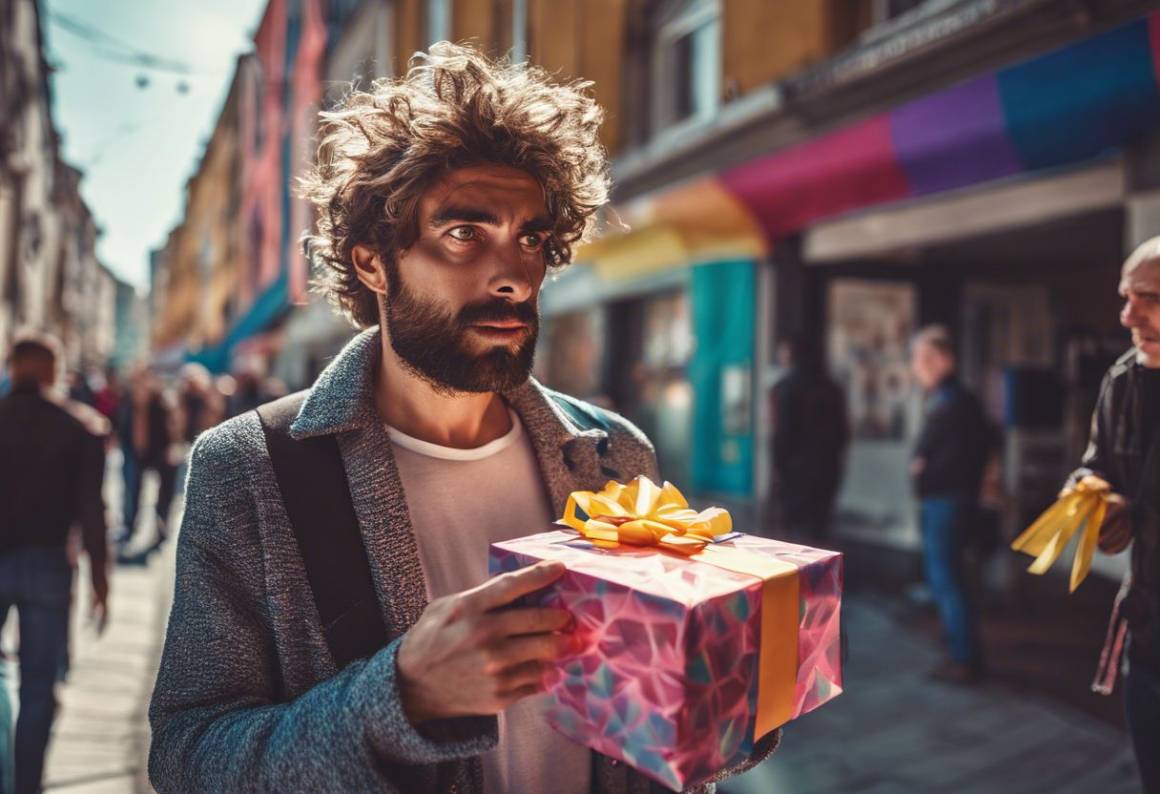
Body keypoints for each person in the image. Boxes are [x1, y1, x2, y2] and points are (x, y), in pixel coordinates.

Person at [147, 44, 778, 793]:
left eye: (531, 238)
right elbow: (189, 756)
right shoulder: (251, 467)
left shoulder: (614, 454)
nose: (512, 275)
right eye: (464, 233)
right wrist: (401, 695)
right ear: (373, 263)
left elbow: (661, 735)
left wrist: (730, 691)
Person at [0, 334, 110, 794]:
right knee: (40, 685)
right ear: (53, 370)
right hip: (48, 564)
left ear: (11, 366)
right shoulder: (80, 426)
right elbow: (92, 510)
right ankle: (26, 783)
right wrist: (101, 581)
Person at [1069, 238, 1160, 792]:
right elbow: (1094, 464)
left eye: (1148, 296)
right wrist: (1093, 496)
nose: (1127, 314)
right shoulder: (1122, 380)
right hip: (1148, 636)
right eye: (1126, 296)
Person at [909, 325, 990, 684]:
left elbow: (946, 457)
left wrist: (923, 468)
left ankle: (963, 657)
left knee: (947, 578)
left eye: (924, 359)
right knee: (947, 577)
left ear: (944, 360)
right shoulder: (952, 398)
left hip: (947, 502)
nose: (917, 367)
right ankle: (959, 648)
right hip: (947, 500)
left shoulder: (953, 400)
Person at [770, 335, 849, 541]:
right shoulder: (832, 388)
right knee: (819, 528)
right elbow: (842, 433)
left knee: (793, 533)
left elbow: (783, 434)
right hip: (827, 468)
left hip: (795, 471)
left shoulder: (786, 388)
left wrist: (778, 467)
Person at [116, 369, 177, 549]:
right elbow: (122, 424)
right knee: (131, 490)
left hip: (158, 451)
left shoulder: (161, 403)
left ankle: (161, 526)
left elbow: (171, 427)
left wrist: (170, 448)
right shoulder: (127, 401)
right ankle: (129, 526)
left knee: (164, 492)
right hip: (134, 452)